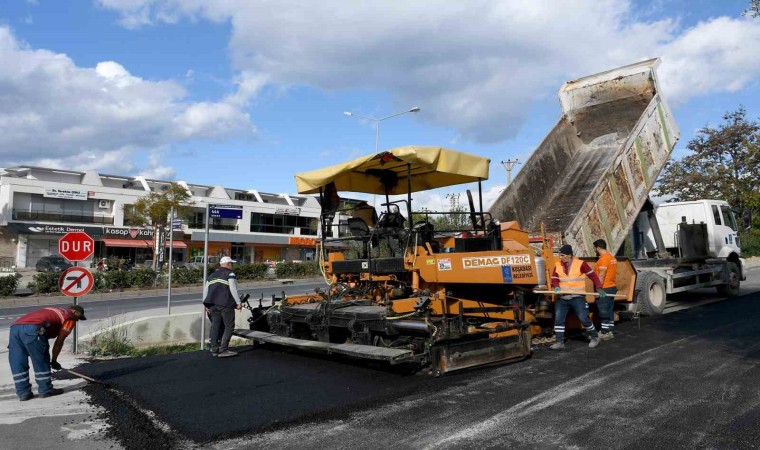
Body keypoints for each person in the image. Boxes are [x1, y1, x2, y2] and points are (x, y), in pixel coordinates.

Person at [8, 304, 87, 401]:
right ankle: (45, 390)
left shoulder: (55, 310)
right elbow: (60, 341)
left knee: (18, 360)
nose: (77, 320)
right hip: (34, 328)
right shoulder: (70, 317)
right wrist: (54, 360)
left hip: (15, 328)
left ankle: (23, 392)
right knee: (41, 359)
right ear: (75, 312)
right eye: (78, 317)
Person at [550, 244, 606, 350]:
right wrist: (556, 287)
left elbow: (593, 275)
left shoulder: (581, 264)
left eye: (562, 255)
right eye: (560, 255)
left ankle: (594, 337)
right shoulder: (558, 265)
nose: (560, 257)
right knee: (558, 319)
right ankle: (559, 342)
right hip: (563, 298)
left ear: (569, 255)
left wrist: (599, 287)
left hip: (577, 297)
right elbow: (554, 278)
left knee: (583, 318)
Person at [202, 256, 242, 358]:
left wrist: (206, 304)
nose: (232, 265)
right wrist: (238, 302)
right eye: (231, 263)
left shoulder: (212, 275)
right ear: (228, 264)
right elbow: (233, 289)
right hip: (225, 304)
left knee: (215, 326)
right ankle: (223, 349)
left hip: (212, 305)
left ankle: (214, 349)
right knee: (229, 326)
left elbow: (206, 290)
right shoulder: (230, 274)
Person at [593, 239, 618, 340]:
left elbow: (602, 275)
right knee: (609, 310)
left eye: (594, 248)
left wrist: (598, 289)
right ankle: (610, 330)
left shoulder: (603, 259)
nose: (594, 250)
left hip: (604, 288)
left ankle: (604, 332)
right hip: (612, 287)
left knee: (603, 310)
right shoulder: (612, 257)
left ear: (598, 248)